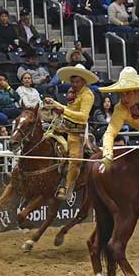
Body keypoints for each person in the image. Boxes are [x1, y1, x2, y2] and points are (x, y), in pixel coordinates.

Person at [43, 65, 96, 200]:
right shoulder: (73, 91)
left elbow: (83, 116)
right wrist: (54, 103)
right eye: (72, 81)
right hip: (63, 126)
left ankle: (67, 188)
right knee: (43, 139)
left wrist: (63, 110)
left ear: (84, 81)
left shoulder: (88, 94)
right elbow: (67, 109)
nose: (74, 84)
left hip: (77, 132)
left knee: (75, 159)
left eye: (77, 81)